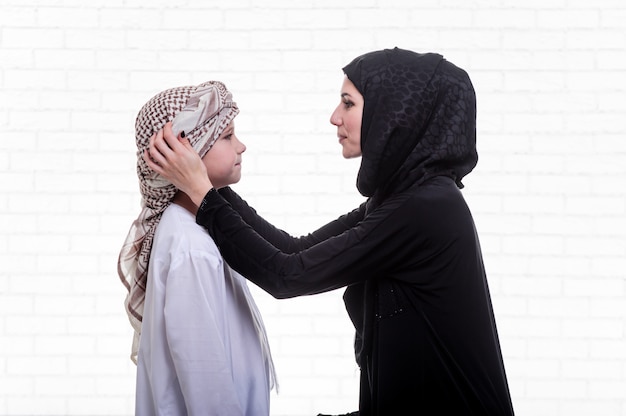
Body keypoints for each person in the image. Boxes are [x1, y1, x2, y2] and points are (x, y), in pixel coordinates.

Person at [144, 48, 515, 415]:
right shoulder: (403, 199)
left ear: (395, 112)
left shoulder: (426, 209)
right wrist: (204, 186)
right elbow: (293, 249)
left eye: (348, 104)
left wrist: (203, 193)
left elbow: (288, 276)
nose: (334, 117)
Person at [117, 81, 277, 416]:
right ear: (190, 150)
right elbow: (205, 379)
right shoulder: (190, 246)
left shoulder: (199, 228)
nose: (241, 146)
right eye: (228, 136)